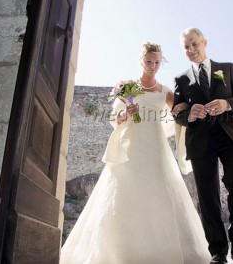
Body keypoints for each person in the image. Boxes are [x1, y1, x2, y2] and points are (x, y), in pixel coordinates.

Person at [60, 42, 211, 264]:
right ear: (141, 61)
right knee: (125, 187)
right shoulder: (128, 88)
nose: (153, 66)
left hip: (156, 146)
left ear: (161, 63)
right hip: (131, 145)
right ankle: (119, 252)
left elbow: (180, 115)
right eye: (149, 61)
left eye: (157, 62)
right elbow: (115, 119)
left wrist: (194, 112)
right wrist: (125, 115)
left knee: (160, 187)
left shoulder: (166, 92)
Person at [173, 28, 233, 264]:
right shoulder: (181, 79)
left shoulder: (226, 68)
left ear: (204, 42)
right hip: (200, 141)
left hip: (230, 135)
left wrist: (227, 104)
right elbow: (177, 113)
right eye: (186, 47)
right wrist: (190, 115)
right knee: (208, 195)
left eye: (194, 44)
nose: (191, 50)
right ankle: (218, 251)